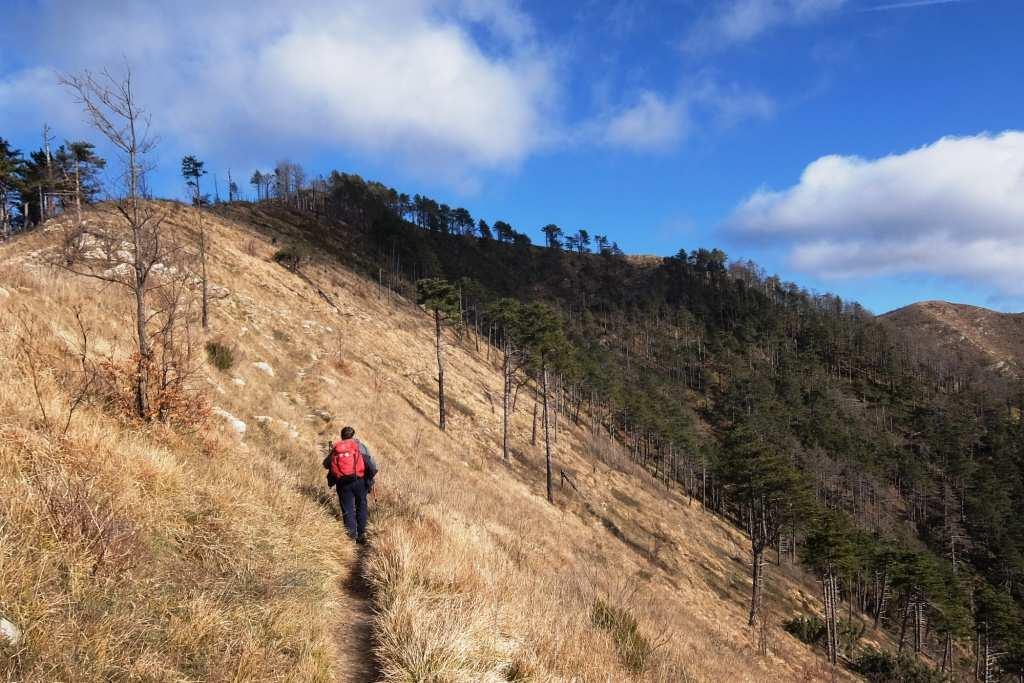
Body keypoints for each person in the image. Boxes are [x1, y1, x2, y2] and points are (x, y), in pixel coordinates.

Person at [323, 426, 378, 544]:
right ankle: (362, 533)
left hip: (343, 484)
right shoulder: (360, 446)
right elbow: (372, 463)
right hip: (359, 481)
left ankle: (351, 536)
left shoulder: (337, 448)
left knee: (347, 508)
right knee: (361, 505)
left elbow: (326, 464)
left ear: (342, 436)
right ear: (353, 435)